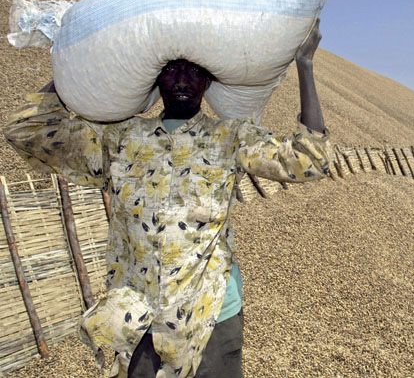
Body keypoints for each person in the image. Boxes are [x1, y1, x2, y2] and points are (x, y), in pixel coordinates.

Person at [4, 23, 330, 378]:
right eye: (171, 70)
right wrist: (75, 66)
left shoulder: (229, 137)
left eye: (194, 71)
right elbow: (27, 131)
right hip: (140, 315)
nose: (182, 80)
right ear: (156, 81)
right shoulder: (121, 138)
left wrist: (305, 64)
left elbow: (310, 161)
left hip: (210, 315)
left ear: (207, 82)